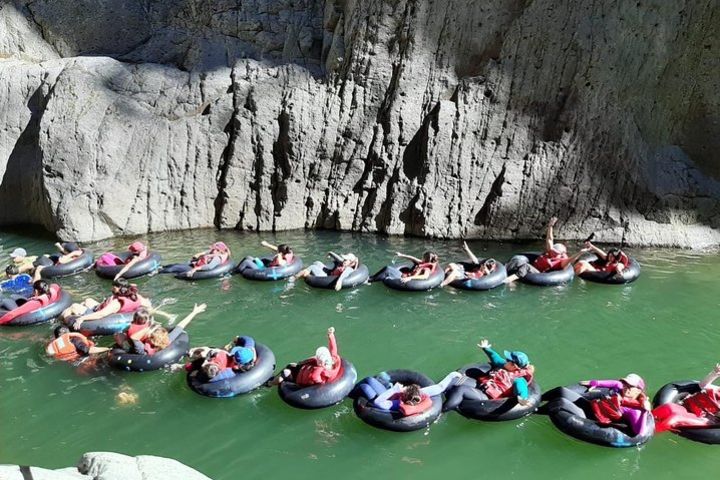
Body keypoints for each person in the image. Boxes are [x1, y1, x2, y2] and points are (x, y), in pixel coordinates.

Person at [443, 339, 535, 411]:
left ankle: (442, 411)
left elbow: (521, 389)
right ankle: (441, 394)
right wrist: (486, 348)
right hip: (484, 385)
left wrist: (522, 399)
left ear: (514, 366)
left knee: (461, 390)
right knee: (454, 379)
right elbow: (496, 358)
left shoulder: (519, 379)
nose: (505, 360)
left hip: (488, 397)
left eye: (508, 360)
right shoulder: (507, 366)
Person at [505, 217, 586, 283]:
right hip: (533, 265)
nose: (553, 253)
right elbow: (550, 239)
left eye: (556, 253)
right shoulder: (551, 251)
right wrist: (550, 226)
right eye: (553, 251)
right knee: (517, 260)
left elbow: (571, 260)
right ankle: (502, 271)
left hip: (540, 273)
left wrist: (580, 253)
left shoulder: (561, 261)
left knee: (526, 267)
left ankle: (511, 279)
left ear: (561, 254)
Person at [114, 303, 206, 356]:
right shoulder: (168, 340)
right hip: (161, 351)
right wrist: (194, 312)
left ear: (151, 339)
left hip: (134, 354)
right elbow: (181, 325)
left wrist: (148, 329)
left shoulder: (142, 350)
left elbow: (134, 338)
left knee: (118, 335)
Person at [357, 371, 462, 416]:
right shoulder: (420, 394)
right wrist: (452, 375)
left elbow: (378, 401)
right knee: (370, 380)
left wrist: (393, 390)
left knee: (365, 386)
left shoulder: (396, 404)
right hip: (390, 395)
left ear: (403, 396)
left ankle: (348, 394)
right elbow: (440, 387)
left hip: (385, 399)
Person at [653, 364, 720, 432]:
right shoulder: (717, 390)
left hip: (704, 418)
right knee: (667, 407)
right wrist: (715, 373)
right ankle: (646, 420)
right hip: (688, 407)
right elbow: (702, 385)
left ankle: (651, 433)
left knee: (674, 418)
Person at [63, 278, 150, 329]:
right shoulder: (135, 296)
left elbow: (101, 314)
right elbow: (147, 304)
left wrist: (82, 318)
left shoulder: (117, 303)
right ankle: (81, 309)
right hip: (100, 307)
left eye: (114, 287)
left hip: (96, 313)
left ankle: (64, 324)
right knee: (87, 300)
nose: (112, 288)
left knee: (73, 306)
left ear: (119, 288)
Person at [275, 327, 340, 385]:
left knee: (286, 372)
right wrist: (331, 335)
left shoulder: (321, 370)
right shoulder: (333, 360)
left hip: (298, 379)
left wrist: (319, 383)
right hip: (303, 370)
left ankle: (270, 384)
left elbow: (314, 377)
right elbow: (333, 348)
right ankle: (275, 377)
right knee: (290, 365)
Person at [294, 252, 360, 290]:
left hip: (326, 278)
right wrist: (330, 253)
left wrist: (339, 282)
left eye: (346, 260)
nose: (344, 260)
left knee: (312, 267)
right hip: (329, 273)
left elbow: (345, 274)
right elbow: (337, 258)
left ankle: (295, 277)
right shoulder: (343, 263)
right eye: (344, 259)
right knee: (317, 262)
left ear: (351, 262)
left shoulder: (349, 269)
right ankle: (306, 272)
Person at [162, 242, 232, 277]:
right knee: (175, 265)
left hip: (195, 267)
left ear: (219, 251)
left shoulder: (217, 258)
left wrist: (195, 269)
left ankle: (157, 272)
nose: (212, 250)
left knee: (174, 268)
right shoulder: (216, 252)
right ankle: (162, 267)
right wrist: (199, 255)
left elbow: (209, 267)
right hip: (195, 263)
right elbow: (206, 252)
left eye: (214, 249)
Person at [369, 251, 439, 284]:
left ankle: (370, 280)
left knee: (388, 269)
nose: (421, 258)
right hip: (405, 275)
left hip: (405, 278)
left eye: (422, 257)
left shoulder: (426, 268)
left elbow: (425, 276)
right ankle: (372, 278)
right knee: (388, 269)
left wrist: (410, 278)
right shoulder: (423, 263)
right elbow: (412, 258)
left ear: (425, 258)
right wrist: (401, 255)